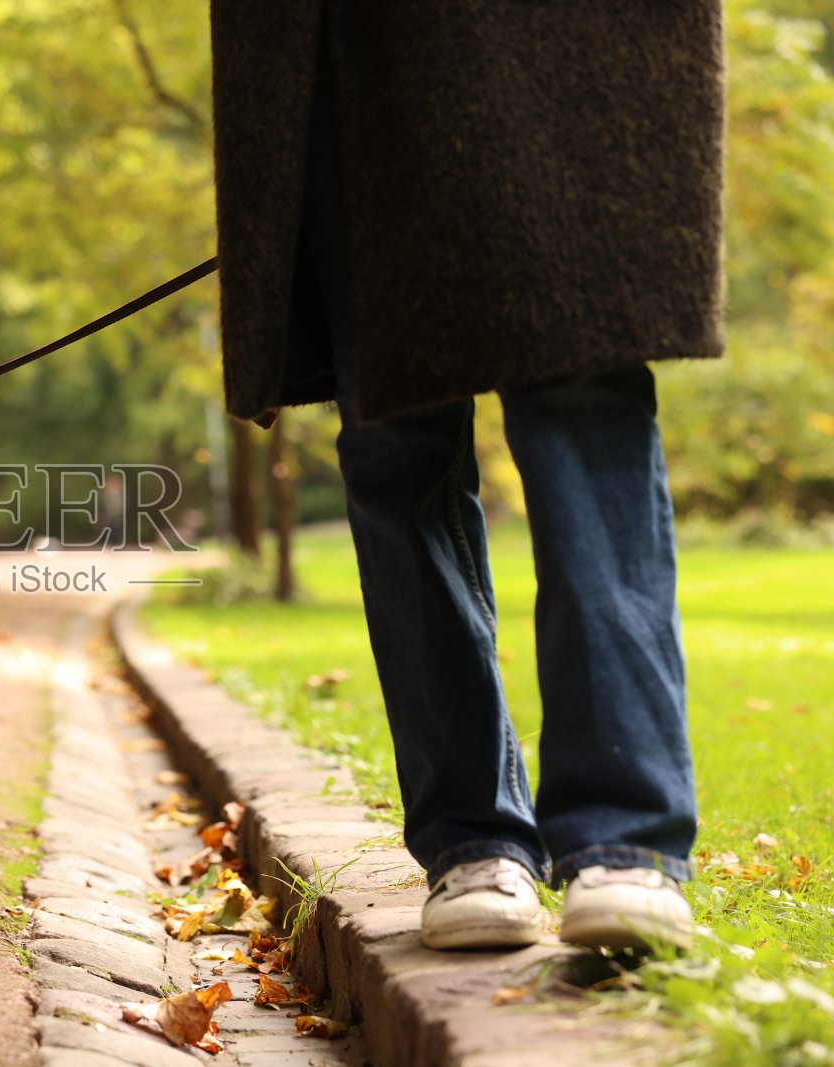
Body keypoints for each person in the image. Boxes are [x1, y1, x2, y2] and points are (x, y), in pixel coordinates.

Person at [210, 5, 724, 951]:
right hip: (348, 45)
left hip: (576, 40)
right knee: (392, 424)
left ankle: (624, 842)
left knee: (581, 391)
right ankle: (472, 838)